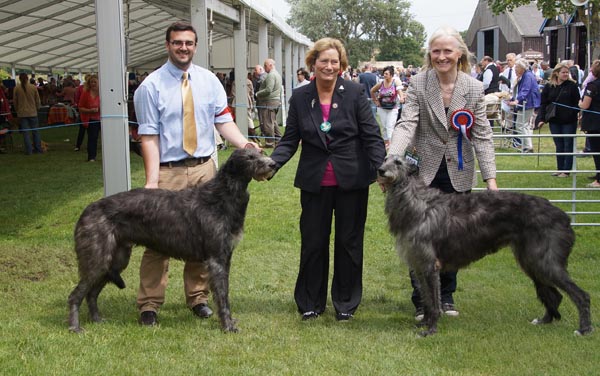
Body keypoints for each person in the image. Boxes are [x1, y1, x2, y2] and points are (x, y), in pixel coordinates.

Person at [133, 21, 260, 326]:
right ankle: (149, 303)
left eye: (189, 43)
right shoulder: (150, 86)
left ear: (195, 45)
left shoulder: (209, 82)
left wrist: (244, 143)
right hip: (169, 172)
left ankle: (198, 298)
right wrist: (152, 181)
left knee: (206, 240)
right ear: (168, 45)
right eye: (177, 42)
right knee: (157, 241)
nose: (183, 48)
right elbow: (148, 137)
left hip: (205, 170)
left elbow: (222, 121)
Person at [270, 37, 385, 321]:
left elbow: (371, 136)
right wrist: (270, 164)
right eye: (324, 61)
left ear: (342, 65)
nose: (330, 66)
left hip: (352, 181)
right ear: (313, 63)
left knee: (349, 243)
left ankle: (346, 303)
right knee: (313, 242)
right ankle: (310, 301)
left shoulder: (356, 92)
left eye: (335, 61)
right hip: (314, 183)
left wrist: (383, 169)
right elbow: (290, 139)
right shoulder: (299, 97)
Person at [388, 26, 498, 321]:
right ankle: (423, 301)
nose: (441, 56)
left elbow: (482, 135)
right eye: (435, 51)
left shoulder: (473, 87)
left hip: (458, 171)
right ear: (429, 55)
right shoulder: (419, 83)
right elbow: (407, 123)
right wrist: (393, 159)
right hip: (422, 172)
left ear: (459, 53)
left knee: (453, 239)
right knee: (418, 239)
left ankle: (445, 297)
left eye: (447, 51)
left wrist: (491, 181)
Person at [536, 62, 580, 177]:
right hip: (554, 120)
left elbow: (577, 103)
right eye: (563, 72)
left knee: (568, 144)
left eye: (567, 72)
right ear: (556, 73)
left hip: (569, 121)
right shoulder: (549, 86)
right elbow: (544, 103)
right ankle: (560, 168)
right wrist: (541, 118)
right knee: (558, 145)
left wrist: (572, 113)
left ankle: (566, 170)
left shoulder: (572, 86)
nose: (566, 74)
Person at [506, 58, 541, 153]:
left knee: (520, 125)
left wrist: (517, 101)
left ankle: (528, 147)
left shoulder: (527, 76)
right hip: (528, 102)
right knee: (525, 126)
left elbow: (525, 90)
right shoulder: (526, 75)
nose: (515, 69)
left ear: (522, 67)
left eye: (517, 67)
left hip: (528, 103)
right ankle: (527, 147)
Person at [370, 65, 404, 149]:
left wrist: (402, 98)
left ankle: (391, 144)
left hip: (393, 108)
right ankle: (386, 144)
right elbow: (372, 91)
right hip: (382, 108)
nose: (384, 75)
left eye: (386, 74)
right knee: (384, 126)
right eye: (384, 73)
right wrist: (376, 101)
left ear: (391, 75)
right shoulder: (381, 82)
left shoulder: (395, 82)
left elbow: (400, 91)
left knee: (390, 125)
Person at [579, 59, 600, 188]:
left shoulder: (592, 86)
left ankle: (599, 180)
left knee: (597, 152)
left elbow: (585, 105)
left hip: (595, 123)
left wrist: (579, 103)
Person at [13, 73, 43, 155]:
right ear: (27, 78)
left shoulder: (16, 88)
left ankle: (29, 151)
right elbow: (38, 100)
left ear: (19, 79)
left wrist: (17, 110)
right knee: (35, 132)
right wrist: (37, 108)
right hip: (33, 112)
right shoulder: (33, 87)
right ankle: (38, 149)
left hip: (22, 114)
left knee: (26, 133)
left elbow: (15, 102)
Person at [255, 58, 283, 148]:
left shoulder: (271, 75)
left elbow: (268, 89)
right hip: (275, 101)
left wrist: (257, 93)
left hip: (269, 102)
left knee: (268, 123)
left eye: (265, 65)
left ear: (270, 65)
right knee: (273, 122)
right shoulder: (277, 74)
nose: (264, 67)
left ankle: (269, 143)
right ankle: (279, 140)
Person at [78, 74, 101, 162]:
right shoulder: (85, 93)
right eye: (91, 82)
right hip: (92, 119)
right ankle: (91, 157)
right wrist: (90, 110)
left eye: (95, 82)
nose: (93, 84)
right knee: (92, 138)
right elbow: (80, 107)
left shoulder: (103, 92)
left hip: (104, 119)